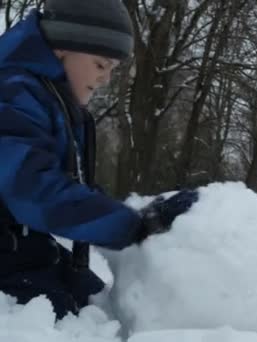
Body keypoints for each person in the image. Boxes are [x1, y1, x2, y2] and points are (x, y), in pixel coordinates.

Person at [0, 0, 199, 319]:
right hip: (10, 254)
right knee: (64, 319)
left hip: (21, 245)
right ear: (63, 47)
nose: (106, 79)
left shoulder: (46, 96)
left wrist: (136, 216)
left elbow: (70, 186)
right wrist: (132, 226)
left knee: (97, 302)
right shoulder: (11, 94)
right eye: (100, 64)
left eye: (112, 69)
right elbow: (34, 191)